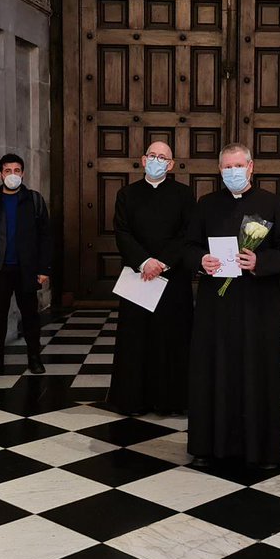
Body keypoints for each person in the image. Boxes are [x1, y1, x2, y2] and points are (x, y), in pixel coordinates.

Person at [185, 143, 280, 469]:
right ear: (220, 170)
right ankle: (209, 447)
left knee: (256, 372)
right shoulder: (206, 204)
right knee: (214, 371)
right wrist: (200, 260)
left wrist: (258, 260)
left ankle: (260, 449)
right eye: (226, 167)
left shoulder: (272, 204)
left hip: (258, 306)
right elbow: (189, 246)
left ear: (251, 167)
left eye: (238, 166)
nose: (232, 172)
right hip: (215, 308)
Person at [110, 141, 196, 415]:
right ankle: (134, 400)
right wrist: (145, 261)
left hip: (173, 280)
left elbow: (187, 233)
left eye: (164, 157)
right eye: (153, 156)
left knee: (172, 339)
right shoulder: (127, 194)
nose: (158, 160)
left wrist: (162, 263)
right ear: (143, 160)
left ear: (171, 165)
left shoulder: (184, 194)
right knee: (136, 340)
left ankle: (171, 401)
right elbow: (122, 232)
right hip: (139, 278)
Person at [0, 154, 52, 375]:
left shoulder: (34, 200)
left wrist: (44, 268)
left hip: (27, 269)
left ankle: (34, 357)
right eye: (8, 171)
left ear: (23, 173)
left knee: (30, 315)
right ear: (1, 174)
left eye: (17, 171)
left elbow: (45, 236)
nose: (13, 175)